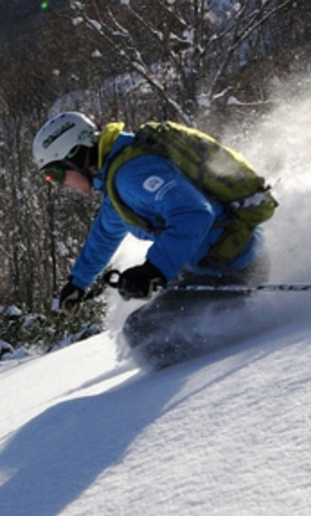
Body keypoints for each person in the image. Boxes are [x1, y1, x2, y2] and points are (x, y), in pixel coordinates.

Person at [32, 111, 272, 362]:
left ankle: (216, 381)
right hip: (214, 264)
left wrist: (153, 269)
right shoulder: (117, 175)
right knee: (142, 328)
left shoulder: (131, 176)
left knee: (143, 333)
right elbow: (104, 235)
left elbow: (195, 213)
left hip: (232, 267)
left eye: (55, 175)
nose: (59, 185)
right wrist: (78, 283)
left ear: (76, 156)